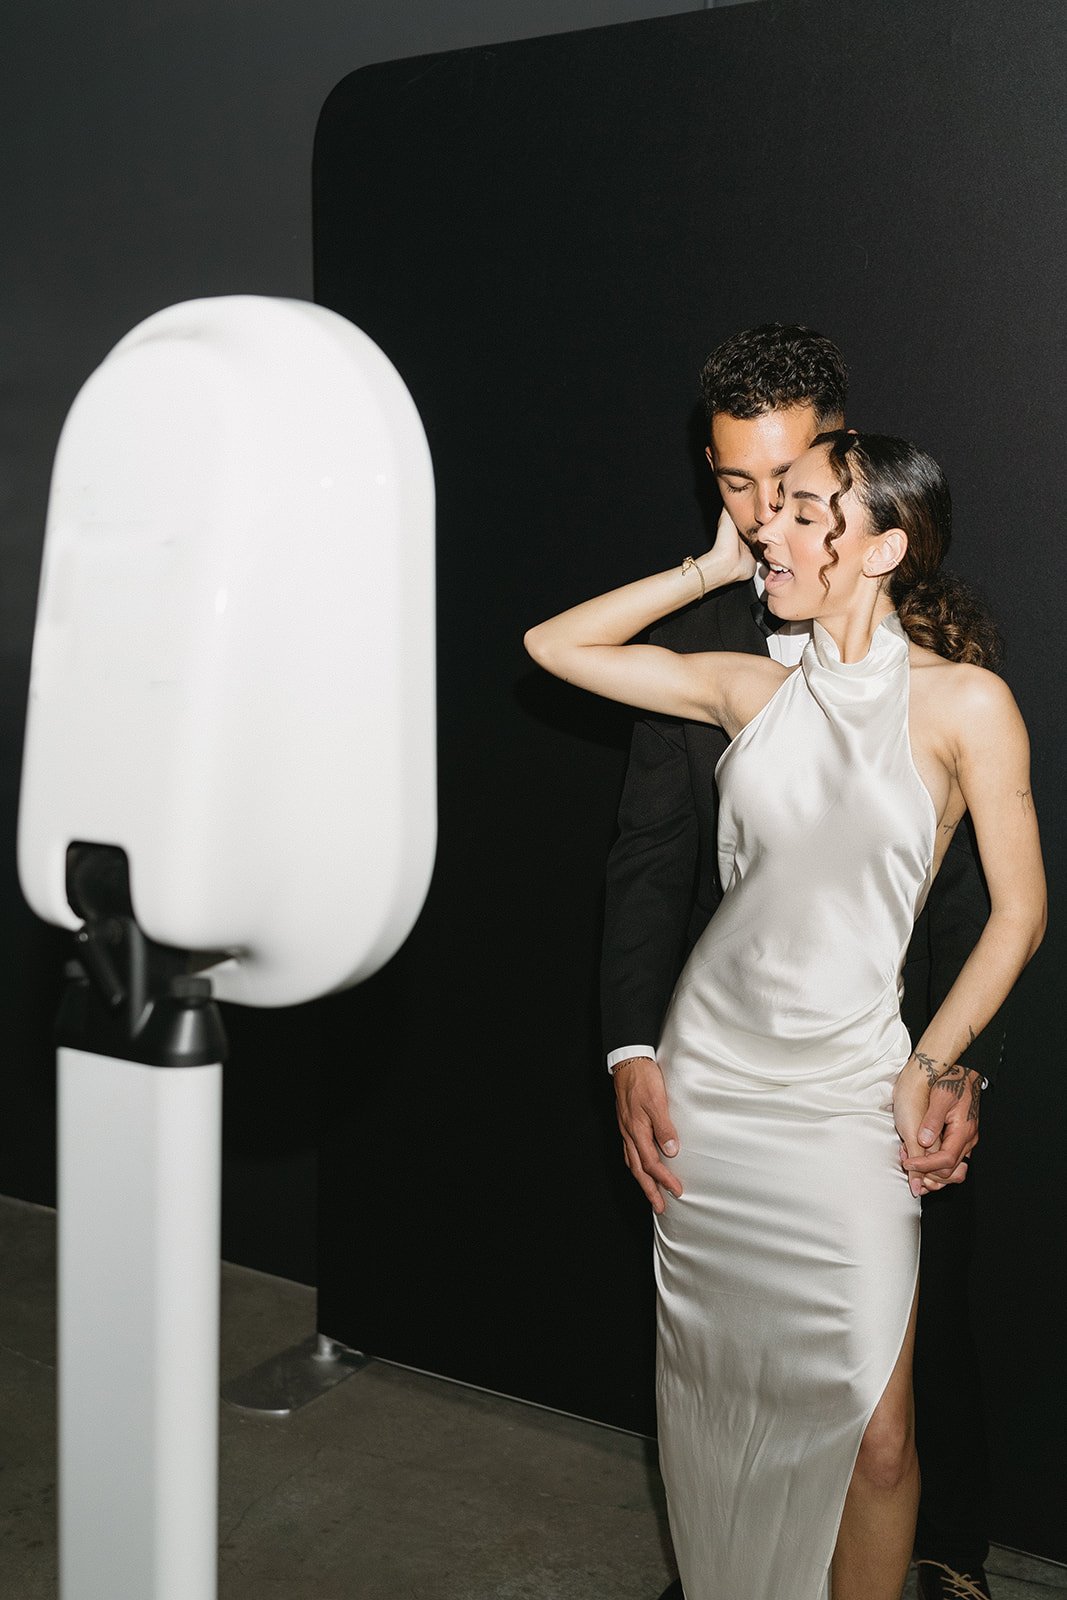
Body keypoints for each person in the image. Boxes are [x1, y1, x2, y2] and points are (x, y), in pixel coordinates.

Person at [524, 429, 1046, 1600]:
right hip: (714, 1090)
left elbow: (1016, 914)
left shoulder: (964, 704)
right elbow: (550, 645)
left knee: (878, 1437)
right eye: (768, 509)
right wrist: (708, 570)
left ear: (882, 547)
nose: (770, 526)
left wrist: (934, 1059)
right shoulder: (745, 684)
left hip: (848, 1097)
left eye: (807, 512)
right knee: (720, 1419)